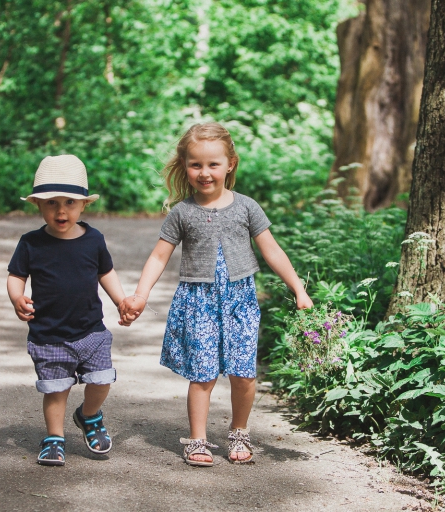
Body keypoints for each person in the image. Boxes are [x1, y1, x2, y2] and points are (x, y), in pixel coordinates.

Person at [119, 122, 313, 466]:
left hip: (240, 301)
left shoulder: (247, 207)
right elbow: (159, 255)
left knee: (244, 373)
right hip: (199, 303)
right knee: (203, 373)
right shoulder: (182, 212)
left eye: (213, 164)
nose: (204, 173)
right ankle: (197, 439)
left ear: (230, 164)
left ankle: (239, 431)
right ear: (185, 167)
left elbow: (272, 250)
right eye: (196, 165)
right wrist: (140, 294)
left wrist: (297, 287)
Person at [7, 154, 129, 466]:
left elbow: (106, 273)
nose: (61, 210)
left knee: (102, 380)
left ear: (84, 205)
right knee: (56, 390)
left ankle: (88, 416)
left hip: (91, 331)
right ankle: (54, 438)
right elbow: (16, 276)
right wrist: (16, 297)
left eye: (70, 202)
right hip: (49, 335)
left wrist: (121, 301)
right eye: (52, 203)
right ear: (38, 205)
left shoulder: (93, 240)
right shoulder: (31, 243)